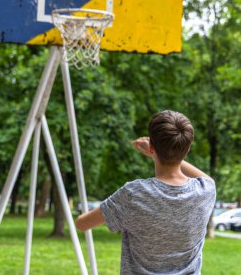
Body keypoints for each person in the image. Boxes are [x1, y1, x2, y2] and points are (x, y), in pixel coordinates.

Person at [76, 110, 216, 275]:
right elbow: (208, 179)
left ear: (151, 148)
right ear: (188, 149)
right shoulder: (205, 191)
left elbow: (82, 224)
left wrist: (156, 151)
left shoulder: (134, 194)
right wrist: (172, 152)